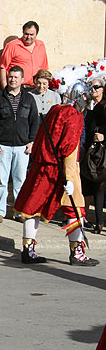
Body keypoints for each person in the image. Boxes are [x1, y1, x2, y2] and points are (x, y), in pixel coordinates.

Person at [14, 81, 98, 266]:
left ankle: (28, 249)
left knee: (33, 207)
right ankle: (76, 253)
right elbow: (69, 149)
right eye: (85, 96)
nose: (87, 99)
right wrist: (69, 178)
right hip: (60, 169)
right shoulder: (73, 116)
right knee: (76, 209)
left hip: (44, 166)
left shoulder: (55, 110)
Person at [0, 65, 39, 223]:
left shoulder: (29, 99)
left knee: (20, 181)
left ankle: (19, 212)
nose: (12, 79)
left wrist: (31, 141)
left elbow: (34, 121)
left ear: (22, 80)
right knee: (1, 181)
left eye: (15, 77)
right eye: (10, 77)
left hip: (22, 147)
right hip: (2, 146)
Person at [0, 21, 49, 89]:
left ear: (36, 34)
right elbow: (2, 67)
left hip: (37, 88)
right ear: (23, 32)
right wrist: (4, 88)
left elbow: (44, 68)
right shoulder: (12, 46)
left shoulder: (41, 45)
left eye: (31, 34)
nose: (28, 37)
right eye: (26, 34)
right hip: (18, 88)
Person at [84, 77, 106, 233]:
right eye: (91, 87)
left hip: (104, 148)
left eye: (97, 87)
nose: (93, 90)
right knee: (99, 185)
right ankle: (99, 222)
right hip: (95, 152)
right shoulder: (90, 107)